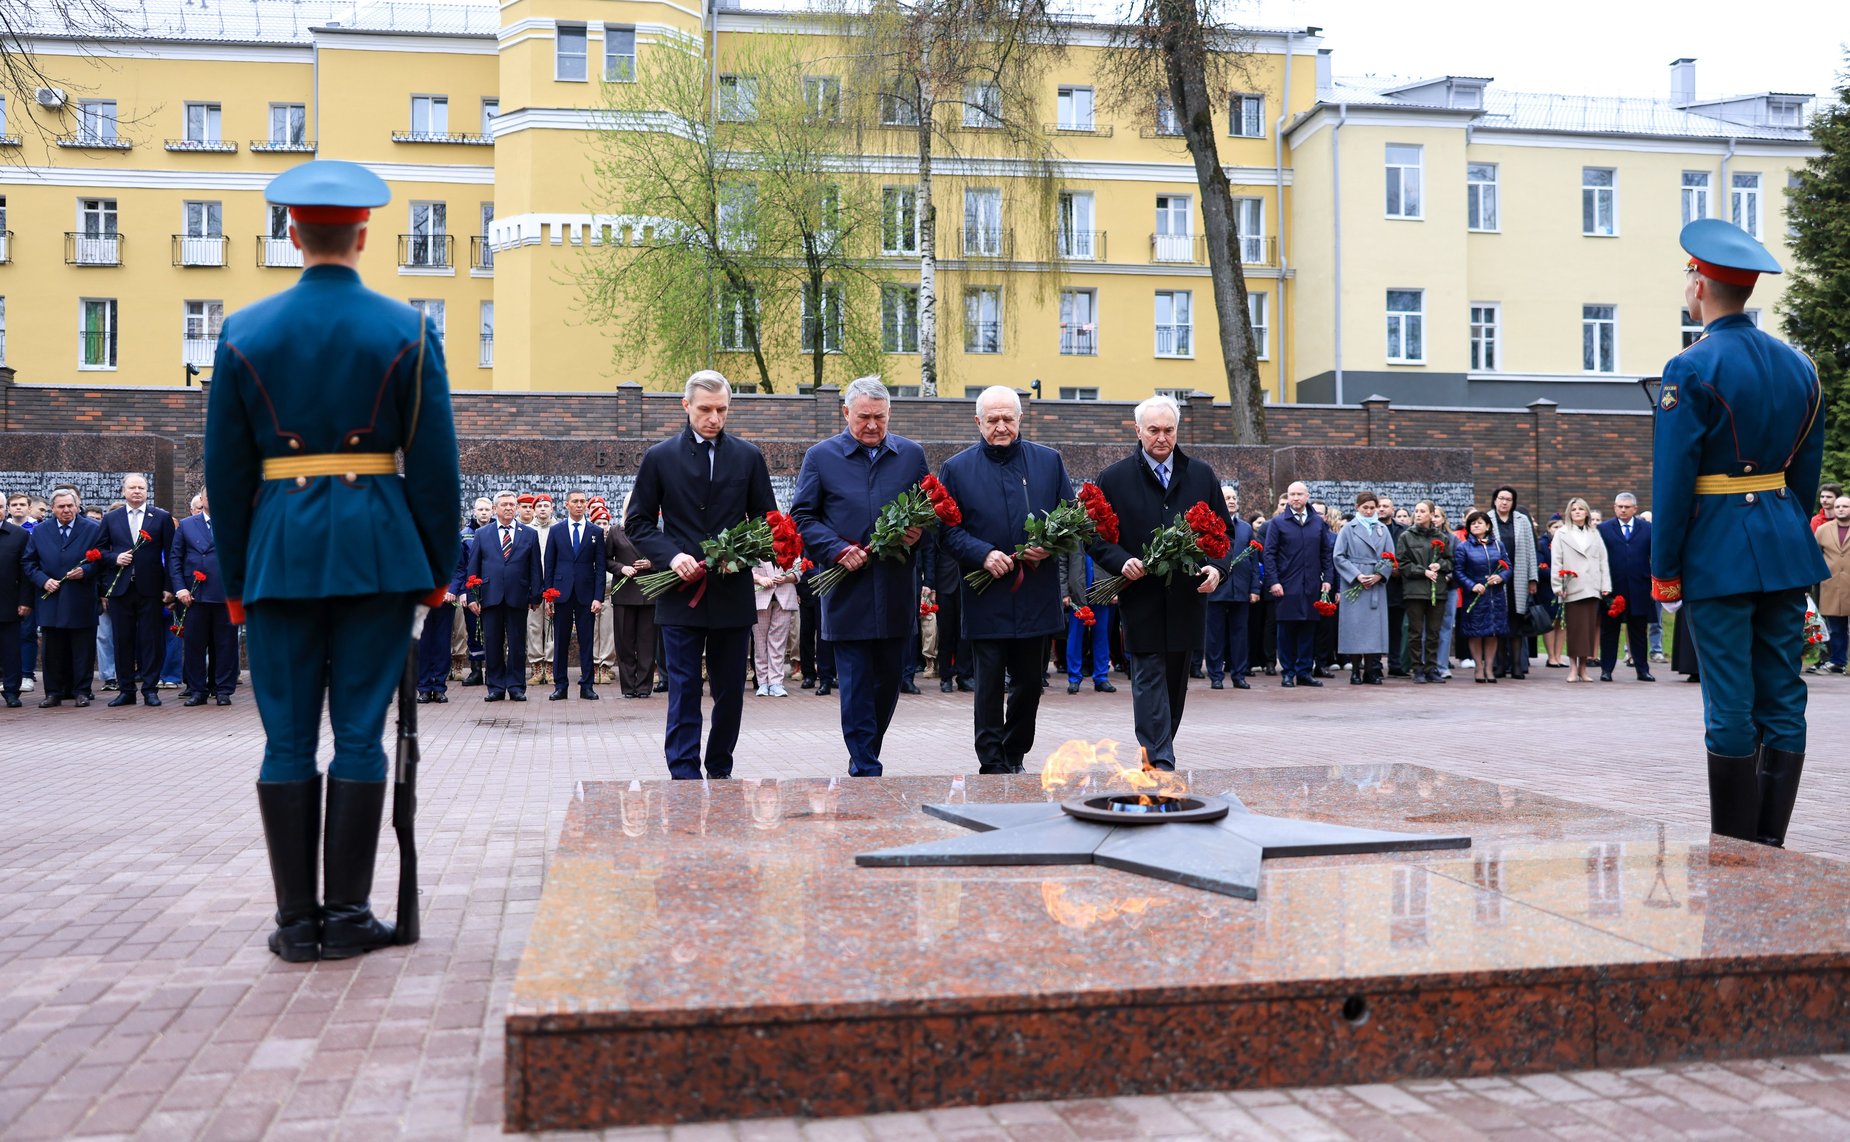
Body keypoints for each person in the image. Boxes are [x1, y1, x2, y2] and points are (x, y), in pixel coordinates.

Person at [204, 159, 460, 961]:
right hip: (379, 554)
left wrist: (239, 583)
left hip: (279, 557)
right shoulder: (409, 330)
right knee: (359, 735)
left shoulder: (243, 331)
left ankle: (295, 924)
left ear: (291, 233)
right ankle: (347, 918)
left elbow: (226, 472)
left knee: (285, 740)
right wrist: (436, 573)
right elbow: (438, 471)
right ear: (363, 232)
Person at [1652, 218, 1831, 847]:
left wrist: (1665, 565)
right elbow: (1804, 475)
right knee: (1783, 693)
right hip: (1785, 548)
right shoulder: (1801, 367)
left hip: (1717, 551)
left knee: (1727, 698)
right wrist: (1784, 532)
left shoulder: (1690, 366)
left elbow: (1673, 480)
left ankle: (1734, 847)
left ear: (1699, 284)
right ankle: (1769, 841)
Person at [626, 371, 778, 780]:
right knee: (684, 688)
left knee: (730, 691)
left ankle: (720, 767)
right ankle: (683, 771)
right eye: (705, 409)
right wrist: (671, 556)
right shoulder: (660, 457)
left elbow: (767, 520)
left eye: (722, 410)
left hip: (732, 591)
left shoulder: (748, 457)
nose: (714, 418)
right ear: (686, 406)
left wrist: (746, 551)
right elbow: (637, 523)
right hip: (680, 592)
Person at [791, 377, 929, 777]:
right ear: (846, 413)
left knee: (888, 683)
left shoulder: (910, 455)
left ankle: (866, 750)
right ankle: (865, 763)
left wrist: (918, 533)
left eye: (880, 418)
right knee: (853, 684)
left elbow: (929, 511)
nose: (872, 425)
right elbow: (803, 516)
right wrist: (837, 549)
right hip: (847, 588)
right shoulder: (821, 457)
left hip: (895, 587)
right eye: (864, 417)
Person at [1087, 395, 1232, 769]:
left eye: (1169, 430)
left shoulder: (1201, 475)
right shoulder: (1114, 478)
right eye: (1153, 430)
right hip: (1142, 597)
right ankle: (1159, 763)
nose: (1162, 438)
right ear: (1138, 431)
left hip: (1187, 597)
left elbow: (1224, 534)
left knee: (1174, 686)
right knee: (1148, 678)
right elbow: (1096, 535)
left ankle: (1159, 752)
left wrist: (1218, 568)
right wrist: (1122, 562)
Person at [936, 386, 1074, 774]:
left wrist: (1051, 544)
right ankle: (993, 760)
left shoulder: (1048, 462)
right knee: (990, 683)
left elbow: (1071, 517)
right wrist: (982, 553)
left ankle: (1016, 751)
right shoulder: (957, 468)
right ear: (978, 422)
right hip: (987, 594)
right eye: (992, 420)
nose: (1001, 427)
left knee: (1031, 683)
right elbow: (946, 531)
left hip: (1035, 592)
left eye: (1007, 419)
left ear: (1019, 420)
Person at [98, 474, 177, 707]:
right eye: (132, 487)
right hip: (121, 589)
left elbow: (172, 554)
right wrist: (114, 558)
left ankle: (150, 689)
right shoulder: (111, 518)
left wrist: (169, 587)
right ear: (124, 491)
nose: (136, 491)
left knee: (150, 639)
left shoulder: (160, 517)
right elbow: (99, 551)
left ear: (147, 491)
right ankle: (126, 690)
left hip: (150, 589)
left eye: (141, 487)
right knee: (122, 640)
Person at [24, 489, 104, 707]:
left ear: (77, 506)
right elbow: (29, 563)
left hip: (81, 597)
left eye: (70, 506)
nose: (66, 510)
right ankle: (53, 692)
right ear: (53, 508)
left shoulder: (92, 529)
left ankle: (82, 691)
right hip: (51, 598)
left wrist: (86, 571)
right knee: (52, 650)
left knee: (82, 648)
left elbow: (102, 560)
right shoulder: (41, 531)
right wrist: (43, 580)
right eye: (61, 506)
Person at [467, 491, 543, 701]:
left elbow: (535, 567)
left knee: (517, 644)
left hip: (518, 596)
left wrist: (536, 595)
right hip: (490, 596)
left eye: (512, 504)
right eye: (505, 505)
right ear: (495, 509)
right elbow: (473, 566)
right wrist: (472, 596)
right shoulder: (483, 534)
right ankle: (496, 687)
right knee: (492, 643)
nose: (509, 508)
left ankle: (516, 686)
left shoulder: (529, 533)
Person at [169, 489, 241, 705]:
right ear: (201, 500)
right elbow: (175, 558)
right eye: (209, 496)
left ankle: (223, 690)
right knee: (194, 644)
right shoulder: (187, 524)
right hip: (194, 594)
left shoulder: (235, 523)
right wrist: (180, 588)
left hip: (225, 594)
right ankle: (197, 690)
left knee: (226, 645)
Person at [1263, 481, 1334, 687]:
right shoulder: (1278, 523)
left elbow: (1326, 554)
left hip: (1311, 586)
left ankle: (1304, 672)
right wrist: (1274, 581)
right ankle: (1287, 672)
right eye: (1292, 494)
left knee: (1308, 630)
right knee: (1286, 631)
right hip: (1286, 586)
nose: (1295, 498)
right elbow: (1269, 555)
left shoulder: (1317, 523)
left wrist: (1328, 579)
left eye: (1299, 494)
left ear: (1307, 496)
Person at [545, 490, 606, 700]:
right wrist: (548, 597)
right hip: (561, 594)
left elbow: (600, 567)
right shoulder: (556, 530)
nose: (579, 505)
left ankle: (587, 685)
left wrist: (599, 596)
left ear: (586, 505)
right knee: (560, 641)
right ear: (566, 504)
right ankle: (560, 685)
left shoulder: (595, 531)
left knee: (586, 640)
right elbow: (549, 565)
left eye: (582, 502)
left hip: (586, 595)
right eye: (575, 502)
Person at [1333, 490, 1393, 684]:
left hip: (1375, 583)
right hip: (1354, 582)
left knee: (1373, 630)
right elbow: (1339, 556)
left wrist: (1379, 575)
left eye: (1372, 508)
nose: (1368, 511)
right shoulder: (1348, 529)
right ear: (1357, 507)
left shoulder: (1382, 529)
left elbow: (1390, 556)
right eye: (1364, 508)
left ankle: (1371, 670)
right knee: (1355, 629)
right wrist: (1357, 575)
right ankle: (1355, 671)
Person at [1551, 498, 1611, 684]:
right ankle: (1573, 668)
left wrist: (1605, 585)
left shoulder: (1594, 533)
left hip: (1592, 586)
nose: (1577, 512)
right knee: (1575, 630)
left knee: (1588, 630)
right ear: (1569, 513)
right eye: (1573, 509)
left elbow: (1603, 560)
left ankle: (1584, 669)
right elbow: (1556, 560)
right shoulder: (1561, 533)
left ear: (1586, 512)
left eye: (1580, 509)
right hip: (1572, 587)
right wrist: (1558, 586)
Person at [1203, 486, 1257, 690]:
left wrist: (1254, 589)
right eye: (1227, 498)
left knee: (1240, 635)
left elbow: (1253, 559)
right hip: (1217, 589)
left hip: (1241, 590)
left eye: (1234, 497)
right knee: (1215, 636)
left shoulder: (1245, 528)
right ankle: (1216, 675)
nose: (1232, 501)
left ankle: (1239, 675)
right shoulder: (1210, 526)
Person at [604, 497, 658, 700]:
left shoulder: (654, 530)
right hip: (624, 592)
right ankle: (628, 686)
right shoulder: (616, 531)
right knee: (625, 643)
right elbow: (606, 559)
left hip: (648, 593)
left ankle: (644, 686)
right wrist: (620, 568)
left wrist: (651, 564)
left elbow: (665, 558)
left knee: (647, 643)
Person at [1597, 492, 1655, 682]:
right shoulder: (1604, 529)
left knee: (1638, 631)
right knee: (1609, 631)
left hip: (1639, 587)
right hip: (1613, 589)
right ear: (1614, 507)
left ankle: (1642, 669)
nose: (1622, 510)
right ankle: (1606, 669)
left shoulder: (1647, 529)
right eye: (1619, 506)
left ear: (1635, 509)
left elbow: (1655, 556)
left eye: (1626, 507)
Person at [1396, 500, 1452, 684]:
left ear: (1431, 514)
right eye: (1416, 511)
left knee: (1434, 632)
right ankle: (1417, 668)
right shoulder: (1406, 536)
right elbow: (1402, 564)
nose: (1418, 514)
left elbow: (1450, 562)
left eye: (1422, 511)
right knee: (1415, 631)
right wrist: (1424, 571)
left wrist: (1440, 564)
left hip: (1438, 591)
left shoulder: (1442, 537)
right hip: (1415, 591)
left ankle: (1431, 667)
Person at [1454, 510, 1510, 684]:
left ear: (1488, 526)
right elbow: (1458, 571)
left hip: (1496, 596)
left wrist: (1501, 577)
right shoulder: (1464, 546)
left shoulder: (1498, 545)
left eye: (1479, 522)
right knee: (1476, 632)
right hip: (1475, 596)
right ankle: (1478, 667)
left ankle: (1489, 667)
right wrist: (1472, 585)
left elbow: (1508, 566)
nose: (1476, 525)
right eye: (1472, 523)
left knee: (1492, 633)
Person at [1488, 487, 1538, 680]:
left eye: (1508, 499)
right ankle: (1500, 665)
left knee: (1517, 623)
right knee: (1500, 623)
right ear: (1494, 500)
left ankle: (1517, 666)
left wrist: (1532, 579)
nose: (1504, 502)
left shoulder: (1522, 520)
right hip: (1497, 578)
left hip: (1519, 576)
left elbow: (1531, 550)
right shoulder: (1487, 519)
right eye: (1501, 498)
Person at [454, 497, 492, 686]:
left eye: (487, 509)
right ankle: (476, 672)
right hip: (472, 590)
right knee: (473, 631)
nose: (484, 513)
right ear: (474, 511)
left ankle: (493, 672)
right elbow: (460, 567)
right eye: (480, 509)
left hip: (493, 589)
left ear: (493, 511)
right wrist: (463, 591)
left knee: (494, 631)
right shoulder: (464, 535)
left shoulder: (498, 532)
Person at [751, 554, 798, 697]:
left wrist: (786, 578)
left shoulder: (788, 540)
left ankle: (776, 682)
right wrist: (759, 579)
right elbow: (744, 566)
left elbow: (799, 568)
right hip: (760, 597)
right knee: (760, 643)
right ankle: (762, 682)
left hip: (783, 597)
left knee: (778, 643)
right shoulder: (757, 538)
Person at [0, 505, 30, 707]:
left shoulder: (19, 535)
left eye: (0, 507)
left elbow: (26, 570)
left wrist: (25, 600)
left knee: (10, 650)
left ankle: (11, 691)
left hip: (7, 602)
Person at [1376, 495, 1409, 676]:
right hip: (1375, 584)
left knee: (1396, 628)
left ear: (1393, 509)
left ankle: (1395, 665)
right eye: (1379, 506)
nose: (1382, 509)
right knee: (1376, 627)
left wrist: (1400, 569)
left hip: (1397, 586)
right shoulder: (1370, 528)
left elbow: (1408, 555)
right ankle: (1375, 665)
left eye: (1385, 506)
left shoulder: (1404, 531)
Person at [1816, 498, 1850, 673]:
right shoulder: (1822, 530)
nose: (1841, 509)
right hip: (1832, 585)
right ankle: (1838, 661)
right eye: (1838, 507)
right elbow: (1815, 555)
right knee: (1836, 628)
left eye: (1845, 506)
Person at [1536, 516, 1566, 668]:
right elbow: (1541, 567)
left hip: (1566, 588)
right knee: (1550, 621)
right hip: (1548, 589)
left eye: (1561, 527)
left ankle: (1559, 655)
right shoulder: (1542, 545)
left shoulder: (1568, 543)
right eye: (1555, 527)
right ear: (1548, 528)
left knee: (1562, 623)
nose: (1558, 530)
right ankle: (1551, 656)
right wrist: (1559, 574)